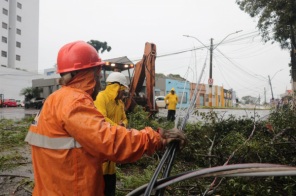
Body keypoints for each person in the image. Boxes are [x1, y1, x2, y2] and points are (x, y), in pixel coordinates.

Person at [24, 41, 186, 195]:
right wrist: (156, 138)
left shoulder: (53, 100)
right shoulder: (74, 102)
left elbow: (72, 150)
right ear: (89, 75)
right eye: (98, 75)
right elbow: (110, 141)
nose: (100, 82)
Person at [94, 71, 129, 196]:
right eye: (122, 90)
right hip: (102, 145)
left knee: (110, 183)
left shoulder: (120, 103)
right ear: (117, 87)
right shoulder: (101, 97)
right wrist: (118, 127)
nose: (123, 93)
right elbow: (101, 118)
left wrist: (123, 125)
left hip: (113, 147)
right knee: (98, 183)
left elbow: (125, 118)